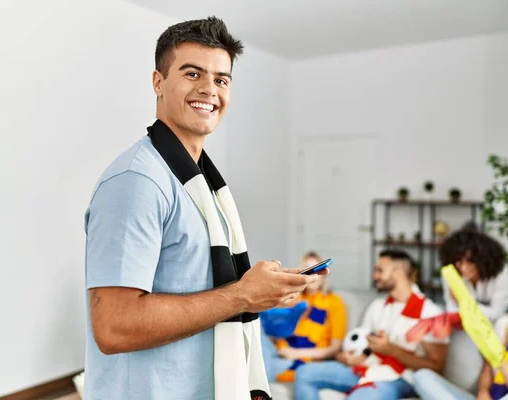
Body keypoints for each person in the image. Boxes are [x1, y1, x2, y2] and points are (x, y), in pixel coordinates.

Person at [83, 17, 325, 400]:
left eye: (221, 79)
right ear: (158, 82)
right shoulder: (137, 183)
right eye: (193, 73)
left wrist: (262, 289)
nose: (209, 90)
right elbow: (114, 326)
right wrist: (243, 295)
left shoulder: (203, 185)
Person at [294, 250, 449, 400]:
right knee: (304, 372)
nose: (375, 276)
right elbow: (358, 346)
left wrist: (392, 350)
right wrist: (345, 357)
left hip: (399, 377)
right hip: (367, 368)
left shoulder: (430, 313)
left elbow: (436, 367)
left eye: (380, 270)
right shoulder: (378, 306)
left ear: (399, 272)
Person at [261, 251, 347, 383]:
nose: (313, 274)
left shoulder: (334, 302)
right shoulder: (293, 297)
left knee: (267, 369)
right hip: (278, 351)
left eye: (316, 269)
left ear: (324, 275)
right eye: (308, 269)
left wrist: (295, 353)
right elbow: (274, 329)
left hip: (303, 358)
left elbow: (334, 348)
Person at [439, 223, 508, 322]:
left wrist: (464, 303)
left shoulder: (500, 271)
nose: (464, 268)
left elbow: (498, 313)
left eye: (470, 261)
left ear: (483, 259)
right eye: (459, 262)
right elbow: (452, 311)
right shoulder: (450, 272)